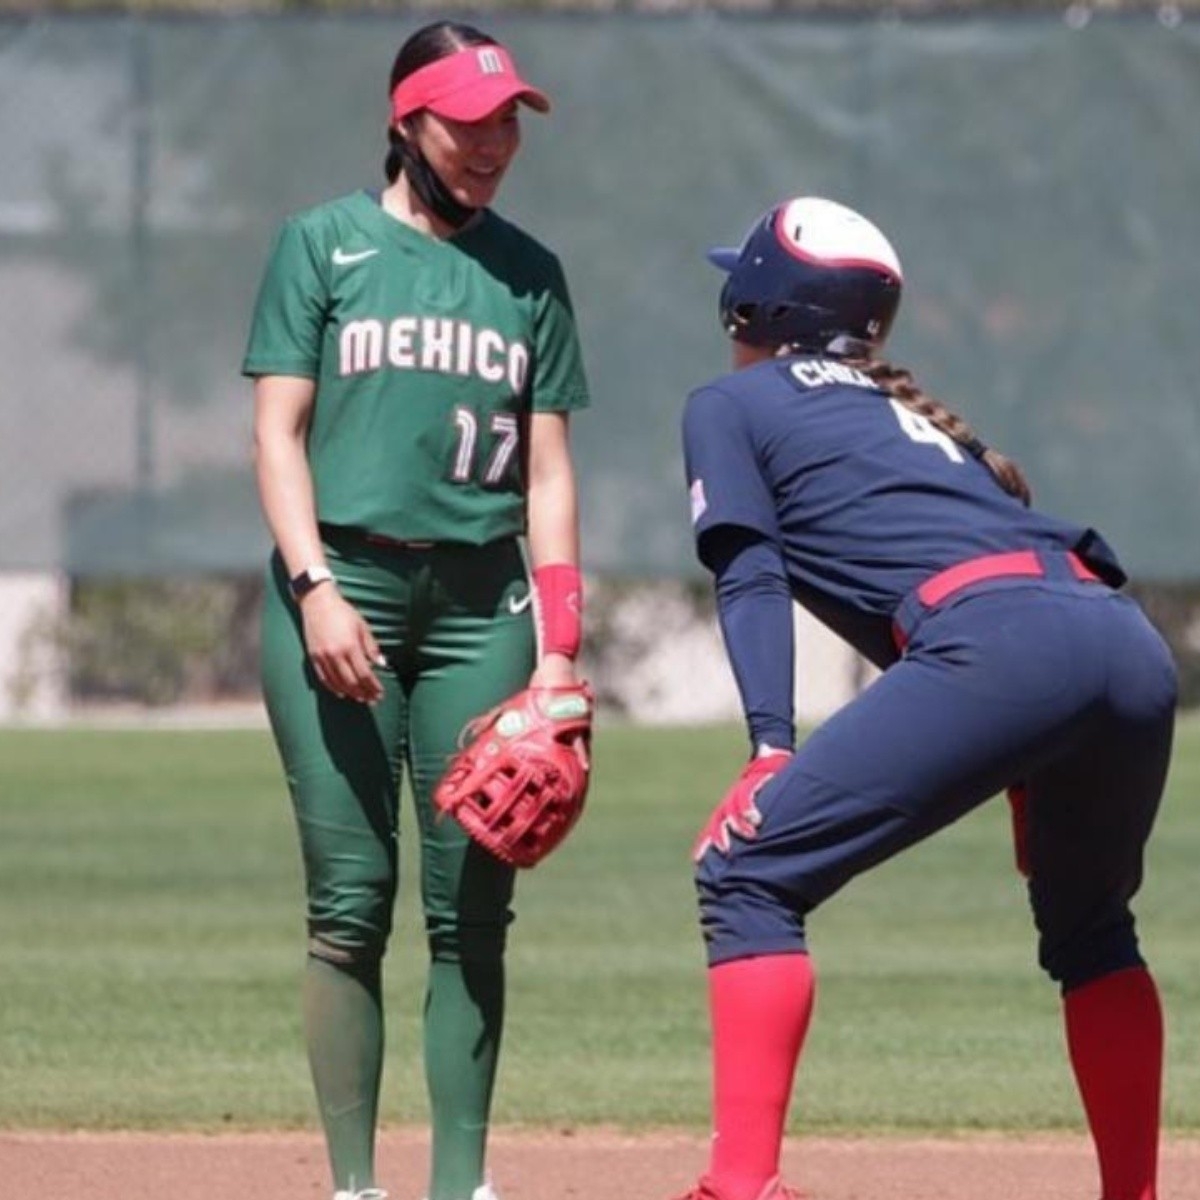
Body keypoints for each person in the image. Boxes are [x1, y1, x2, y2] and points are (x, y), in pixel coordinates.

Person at [679, 196, 1176, 1200]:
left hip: (1005, 645)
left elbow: (751, 575)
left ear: (755, 310)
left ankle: (739, 1188)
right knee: (1092, 933)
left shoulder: (728, 405)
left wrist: (770, 746)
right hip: (1123, 641)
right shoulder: (905, 413)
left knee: (745, 874)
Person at [241, 22, 589, 1200]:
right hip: (342, 590)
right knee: (351, 901)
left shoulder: (530, 274)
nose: (492, 143)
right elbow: (277, 436)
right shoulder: (322, 247)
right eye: (466, 120)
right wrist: (316, 588)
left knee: (471, 905)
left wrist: (562, 651)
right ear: (407, 122)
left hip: (481, 603)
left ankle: (463, 1186)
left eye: (507, 122)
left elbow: (546, 475)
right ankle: (354, 1188)